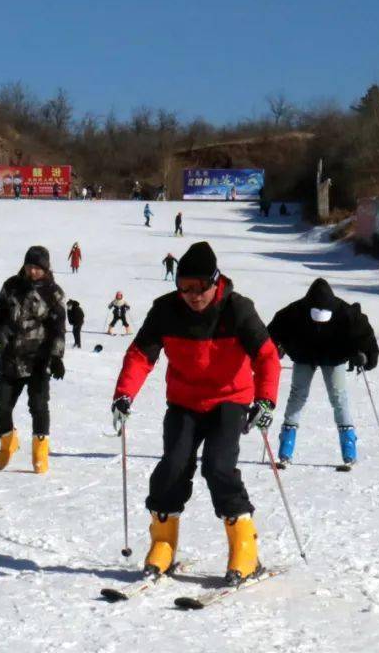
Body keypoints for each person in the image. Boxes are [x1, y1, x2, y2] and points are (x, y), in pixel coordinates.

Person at [110, 241, 280, 584]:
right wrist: (124, 395)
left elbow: (266, 356)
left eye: (199, 287)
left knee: (218, 467)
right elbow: (141, 355)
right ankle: (163, 544)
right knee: (172, 467)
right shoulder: (165, 311)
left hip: (229, 401)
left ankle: (244, 548)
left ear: (215, 281)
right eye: (184, 287)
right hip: (185, 401)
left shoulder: (238, 309)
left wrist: (265, 401)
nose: (192, 294)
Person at [267, 278, 379, 467]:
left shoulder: (346, 313)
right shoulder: (294, 312)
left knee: (339, 398)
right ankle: (286, 447)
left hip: (333, 356)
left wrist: (366, 356)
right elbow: (271, 333)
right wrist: (273, 349)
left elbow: (365, 335)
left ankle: (349, 449)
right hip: (304, 354)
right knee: (297, 396)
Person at [0, 246, 66, 475]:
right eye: (30, 265)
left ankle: (40, 453)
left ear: (45, 268)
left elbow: (58, 327)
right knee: (1, 407)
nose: (33, 271)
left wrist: (57, 357)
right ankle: (8, 440)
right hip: (10, 358)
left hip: (38, 360)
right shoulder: (11, 286)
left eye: (38, 267)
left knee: (38, 406)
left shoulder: (53, 292)